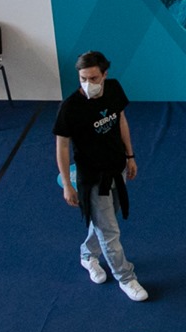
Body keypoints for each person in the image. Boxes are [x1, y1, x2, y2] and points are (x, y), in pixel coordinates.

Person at [54, 50, 149, 301]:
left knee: (104, 220)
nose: (88, 84)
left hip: (116, 169)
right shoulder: (70, 107)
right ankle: (126, 278)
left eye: (94, 78)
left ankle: (87, 255)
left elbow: (121, 121)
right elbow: (62, 147)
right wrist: (67, 184)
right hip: (93, 178)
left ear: (105, 75)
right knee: (110, 231)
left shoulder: (115, 90)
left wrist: (130, 156)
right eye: (83, 78)